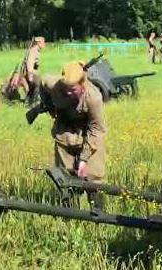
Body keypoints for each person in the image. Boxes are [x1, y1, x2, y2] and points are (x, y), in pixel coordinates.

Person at [38, 61, 107, 213]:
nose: (68, 93)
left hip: (89, 133)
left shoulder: (93, 97)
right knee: (65, 177)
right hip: (64, 132)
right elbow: (43, 82)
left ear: (83, 84)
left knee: (93, 177)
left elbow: (96, 129)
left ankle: (98, 215)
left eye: (73, 89)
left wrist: (83, 159)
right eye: (66, 89)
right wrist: (48, 105)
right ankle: (69, 214)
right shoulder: (55, 85)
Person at [25, 36, 46, 104]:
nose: (44, 44)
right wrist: (30, 75)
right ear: (39, 43)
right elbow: (29, 63)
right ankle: (33, 102)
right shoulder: (33, 51)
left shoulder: (36, 50)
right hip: (31, 71)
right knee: (38, 85)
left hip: (33, 71)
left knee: (33, 87)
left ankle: (28, 101)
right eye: (43, 42)